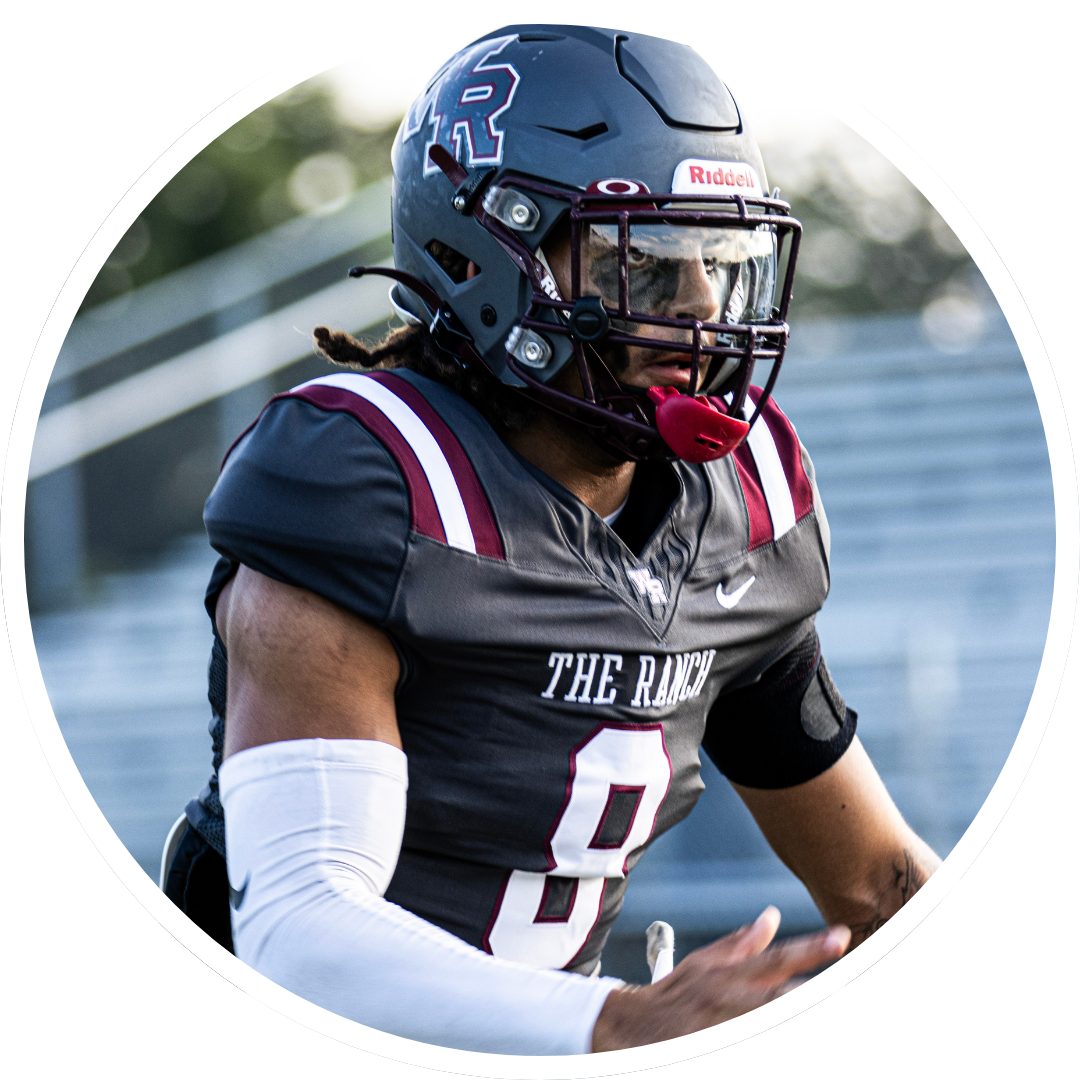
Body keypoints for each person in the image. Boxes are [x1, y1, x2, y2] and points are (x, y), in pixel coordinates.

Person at [164, 23, 941, 1054]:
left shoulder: (738, 512)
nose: (701, 309)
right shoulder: (372, 483)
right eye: (645, 261)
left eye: (720, 258)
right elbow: (298, 932)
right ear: (486, 257)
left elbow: (877, 882)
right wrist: (615, 1023)